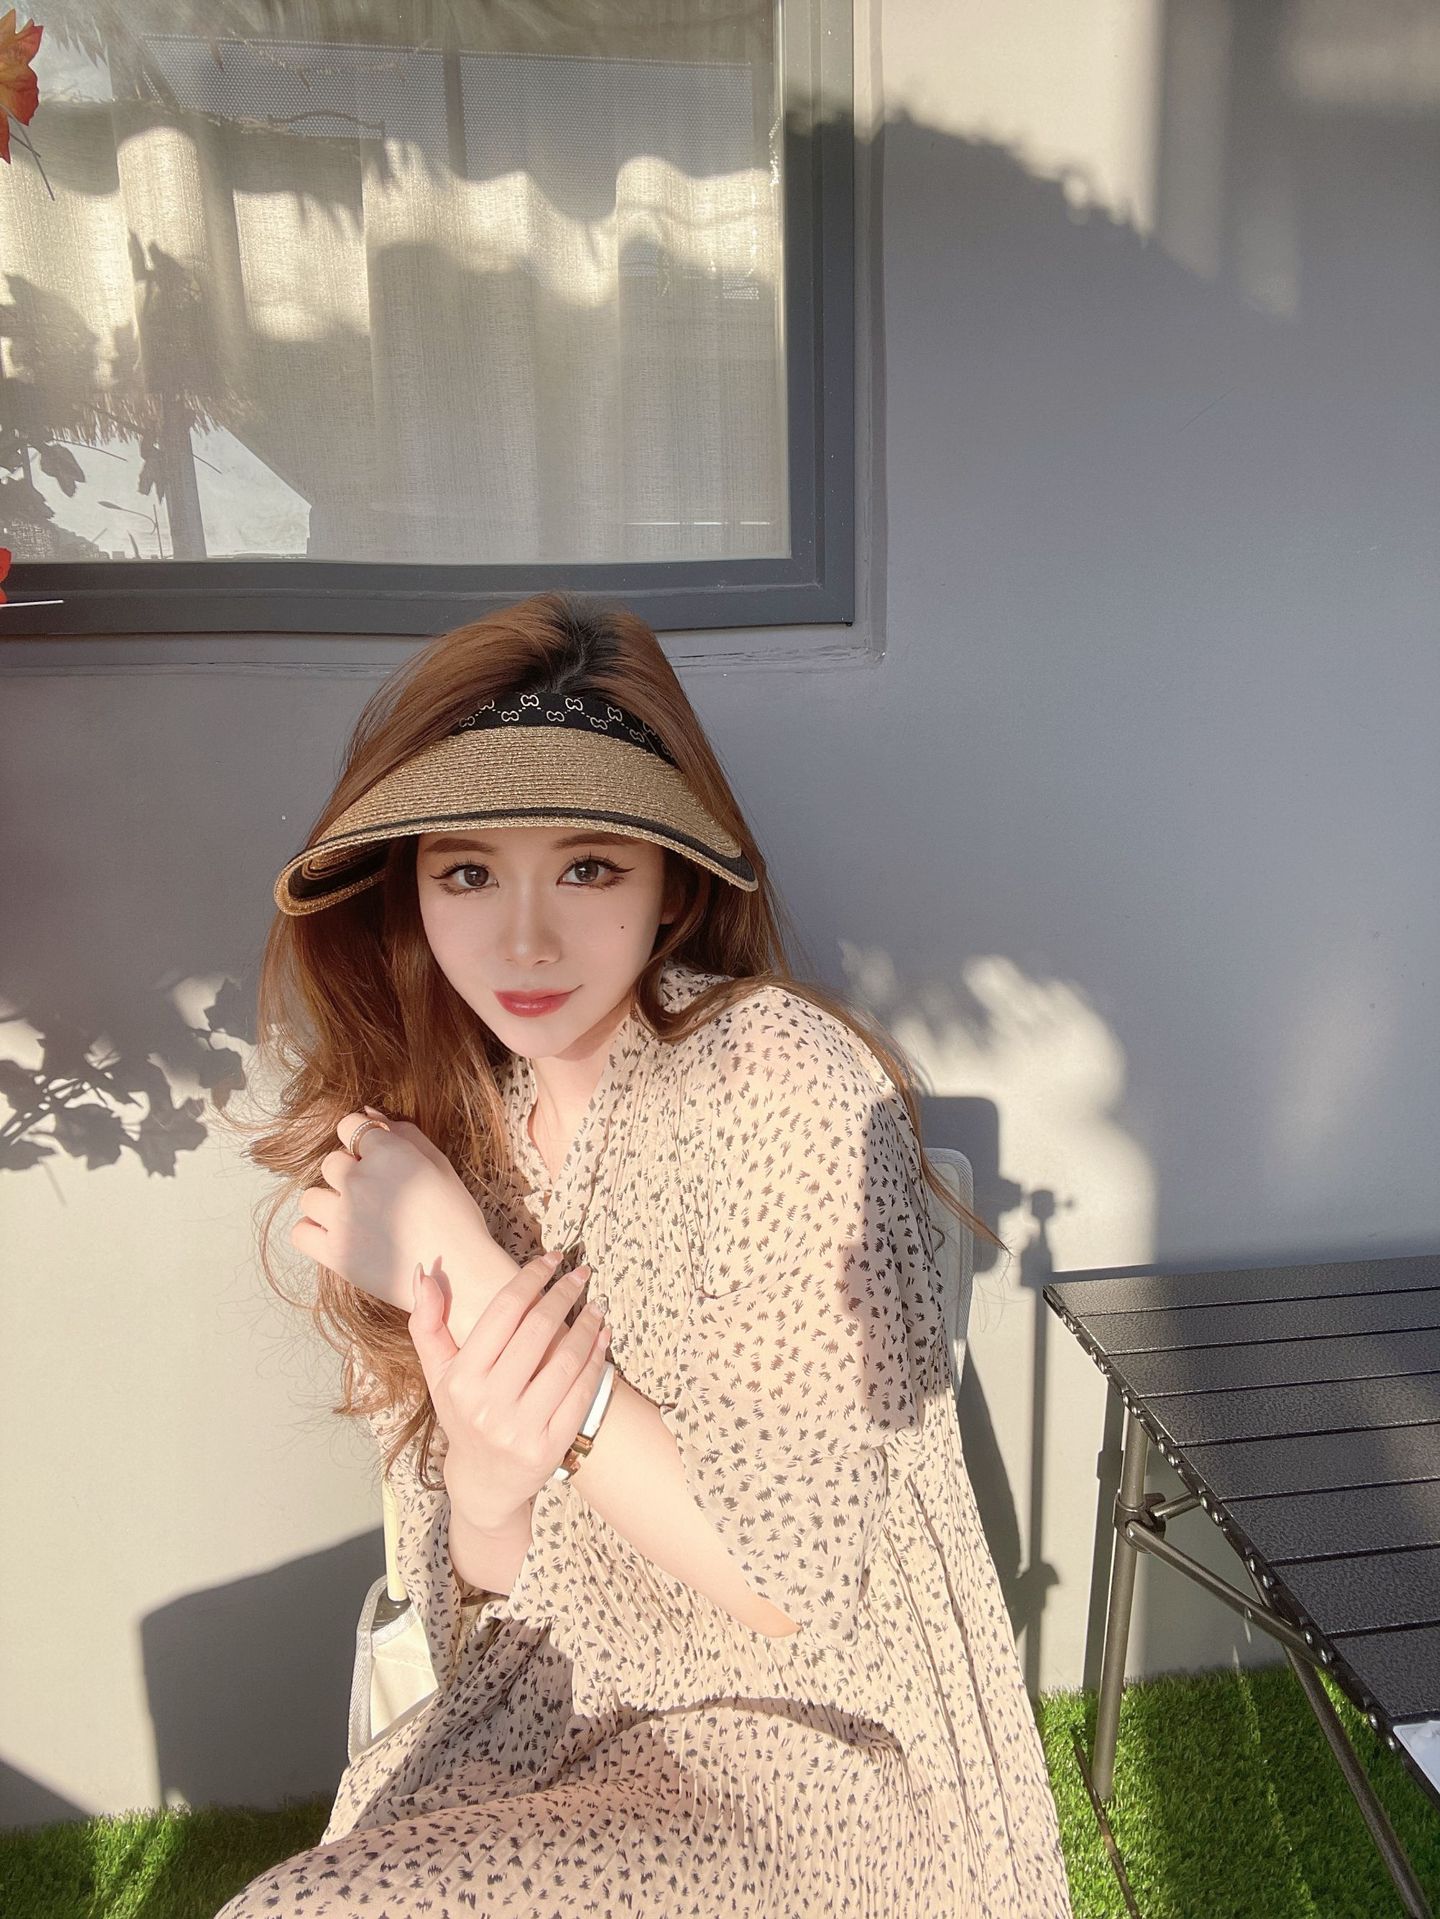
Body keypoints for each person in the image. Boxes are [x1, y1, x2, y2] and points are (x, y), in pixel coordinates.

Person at [216, 592, 1073, 1917]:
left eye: (590, 868)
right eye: (467, 873)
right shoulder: (457, 1132)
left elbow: (788, 1581)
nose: (526, 940)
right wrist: (489, 1484)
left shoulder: (773, 1077)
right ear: (410, 889)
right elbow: (480, 1599)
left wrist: (468, 1268)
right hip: (552, 1713)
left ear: (672, 882)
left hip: (805, 1755)